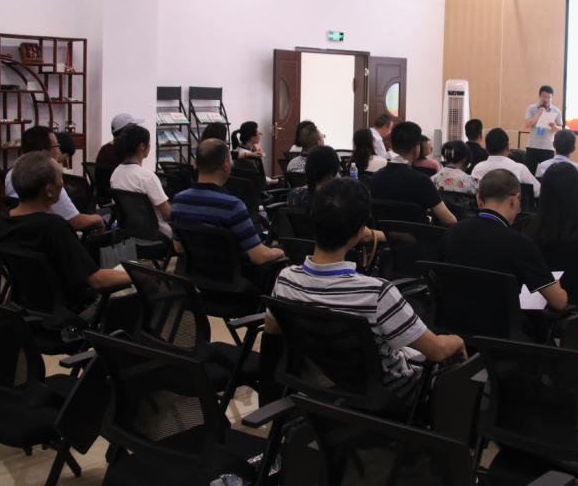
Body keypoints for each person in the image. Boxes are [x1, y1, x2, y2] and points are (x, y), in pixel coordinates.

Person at [267, 178, 466, 401]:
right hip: (392, 394)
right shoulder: (377, 294)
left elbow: (273, 329)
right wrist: (457, 341)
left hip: (323, 385)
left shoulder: (285, 279)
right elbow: (437, 351)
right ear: (360, 232)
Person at [0, 152, 131, 310]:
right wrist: (143, 275)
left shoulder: (5, 220)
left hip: (28, 306)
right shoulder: (52, 227)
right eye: (60, 177)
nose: (63, 183)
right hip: (67, 309)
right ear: (49, 190)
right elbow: (97, 280)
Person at [443, 169, 568, 312]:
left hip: (450, 321)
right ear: (515, 200)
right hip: (499, 324)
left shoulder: (451, 233)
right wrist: (556, 285)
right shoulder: (520, 244)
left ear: (479, 200)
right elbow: (560, 302)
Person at [169, 139, 285, 269]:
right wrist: (280, 251)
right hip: (232, 277)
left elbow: (178, 247)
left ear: (196, 164)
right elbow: (259, 257)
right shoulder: (232, 206)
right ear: (226, 164)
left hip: (194, 275)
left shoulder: (178, 200)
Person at [5, 126, 104, 232]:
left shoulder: (12, 174)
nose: (59, 151)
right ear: (44, 152)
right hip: (46, 235)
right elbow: (76, 222)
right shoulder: (48, 179)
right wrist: (98, 219)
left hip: (20, 234)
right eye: (57, 146)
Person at [370, 122, 457, 226]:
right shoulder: (422, 181)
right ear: (416, 148)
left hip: (384, 234)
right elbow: (449, 220)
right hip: (419, 235)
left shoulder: (376, 177)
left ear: (391, 146)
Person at [109, 124, 172, 238]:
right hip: (159, 235)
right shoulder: (147, 177)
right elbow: (167, 214)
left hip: (131, 235)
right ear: (142, 146)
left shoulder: (116, 174)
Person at [470, 128, 540, 197]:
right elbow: (538, 191)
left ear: (486, 149)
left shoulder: (477, 169)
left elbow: (472, 191)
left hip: (484, 204)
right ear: (507, 147)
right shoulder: (520, 169)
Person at [522, 85, 562, 174]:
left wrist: (554, 127)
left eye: (549, 97)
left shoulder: (556, 111)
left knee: (547, 174)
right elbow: (527, 125)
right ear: (539, 96)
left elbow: (560, 129)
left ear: (552, 98)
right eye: (544, 97)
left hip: (548, 148)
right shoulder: (531, 108)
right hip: (532, 146)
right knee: (529, 173)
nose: (546, 99)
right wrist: (538, 114)